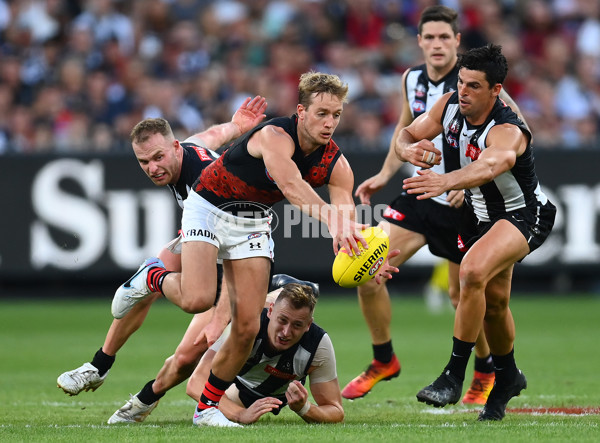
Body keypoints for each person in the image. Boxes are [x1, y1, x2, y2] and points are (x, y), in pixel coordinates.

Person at [111, 71, 399, 428]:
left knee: (246, 327)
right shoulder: (273, 136)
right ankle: (152, 276)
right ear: (301, 111)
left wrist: (365, 257)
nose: (330, 123)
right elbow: (291, 184)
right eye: (322, 113)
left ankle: (207, 410)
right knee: (197, 299)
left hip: (251, 222)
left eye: (336, 114)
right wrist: (331, 218)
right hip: (209, 206)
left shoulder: (337, 165)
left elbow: (345, 225)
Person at [344, 6, 527, 404]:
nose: (437, 44)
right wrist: (387, 169)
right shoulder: (411, 79)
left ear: (458, 42)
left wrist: (475, 179)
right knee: (365, 269)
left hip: (465, 204)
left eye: (445, 37)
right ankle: (383, 359)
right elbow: (404, 129)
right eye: (430, 37)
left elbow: (514, 135)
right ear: (420, 42)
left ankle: (485, 371)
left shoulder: (479, 82)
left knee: (464, 296)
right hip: (419, 193)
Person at [57, 96, 268, 396]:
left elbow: (236, 254)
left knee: (186, 354)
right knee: (141, 289)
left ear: (175, 148)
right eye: (144, 161)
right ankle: (99, 365)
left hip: (236, 254)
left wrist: (221, 316)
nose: (153, 168)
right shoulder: (187, 149)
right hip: (205, 236)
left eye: (158, 158)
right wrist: (236, 125)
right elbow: (213, 136)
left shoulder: (207, 183)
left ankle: (147, 401)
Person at [401, 43, 556, 421]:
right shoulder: (451, 105)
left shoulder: (507, 129)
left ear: (496, 90)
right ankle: (507, 378)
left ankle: (453, 376)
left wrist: (446, 181)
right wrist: (411, 152)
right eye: (461, 82)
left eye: (473, 85)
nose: (463, 91)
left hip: (523, 216)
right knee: (497, 303)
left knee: (471, 274)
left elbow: (491, 166)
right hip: (477, 216)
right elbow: (406, 134)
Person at [106, 276, 320, 424]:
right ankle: (143, 400)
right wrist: (240, 415)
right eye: (282, 319)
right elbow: (195, 385)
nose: (287, 329)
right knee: (186, 358)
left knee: (234, 392)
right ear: (272, 310)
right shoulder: (251, 309)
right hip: (233, 298)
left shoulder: (307, 332)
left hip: (251, 293)